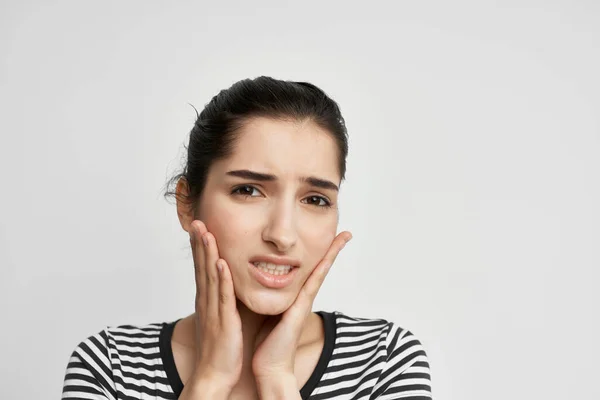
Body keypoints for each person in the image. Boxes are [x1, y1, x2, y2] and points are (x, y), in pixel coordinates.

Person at [61, 76, 432, 399]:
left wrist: (276, 379)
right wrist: (210, 380)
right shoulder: (111, 366)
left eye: (315, 199)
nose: (282, 235)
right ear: (187, 204)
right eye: (249, 191)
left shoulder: (383, 361)